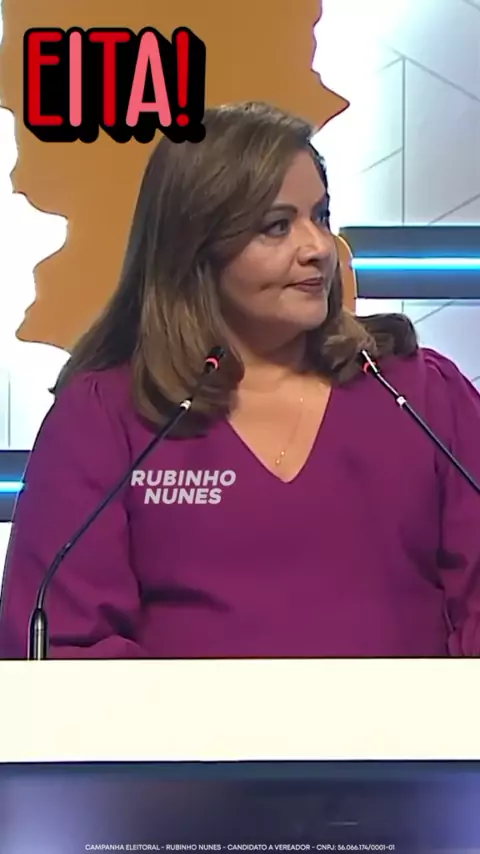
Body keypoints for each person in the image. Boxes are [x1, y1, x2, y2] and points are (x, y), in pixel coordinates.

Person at [1, 101, 480, 659]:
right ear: (197, 248)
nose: (317, 249)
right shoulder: (107, 416)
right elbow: (64, 643)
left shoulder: (421, 395)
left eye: (320, 216)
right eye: (277, 226)